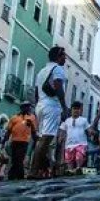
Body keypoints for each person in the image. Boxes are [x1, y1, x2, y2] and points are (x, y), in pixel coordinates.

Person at [31, 46, 70, 178]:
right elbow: (58, 86)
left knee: (43, 139)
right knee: (46, 139)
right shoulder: (58, 69)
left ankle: (42, 170)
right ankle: (34, 171)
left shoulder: (42, 71)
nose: (65, 58)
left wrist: (38, 106)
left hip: (41, 105)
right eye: (64, 55)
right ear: (59, 56)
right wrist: (64, 107)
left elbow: (36, 92)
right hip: (51, 106)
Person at [5, 104, 36, 181]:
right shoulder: (14, 118)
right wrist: (4, 141)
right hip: (14, 141)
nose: (27, 108)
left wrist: (35, 141)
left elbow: (34, 130)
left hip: (24, 142)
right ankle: (15, 175)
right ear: (21, 108)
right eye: (25, 106)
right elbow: (8, 131)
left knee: (19, 158)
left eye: (28, 107)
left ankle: (17, 175)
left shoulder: (32, 117)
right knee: (14, 159)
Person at [61, 102, 91, 173]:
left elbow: (88, 129)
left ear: (80, 110)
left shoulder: (84, 120)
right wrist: (61, 137)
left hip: (81, 144)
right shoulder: (67, 121)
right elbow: (63, 131)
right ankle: (70, 171)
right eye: (74, 109)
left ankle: (78, 168)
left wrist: (91, 132)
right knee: (69, 160)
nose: (76, 111)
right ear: (71, 110)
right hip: (69, 144)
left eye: (78, 109)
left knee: (79, 157)